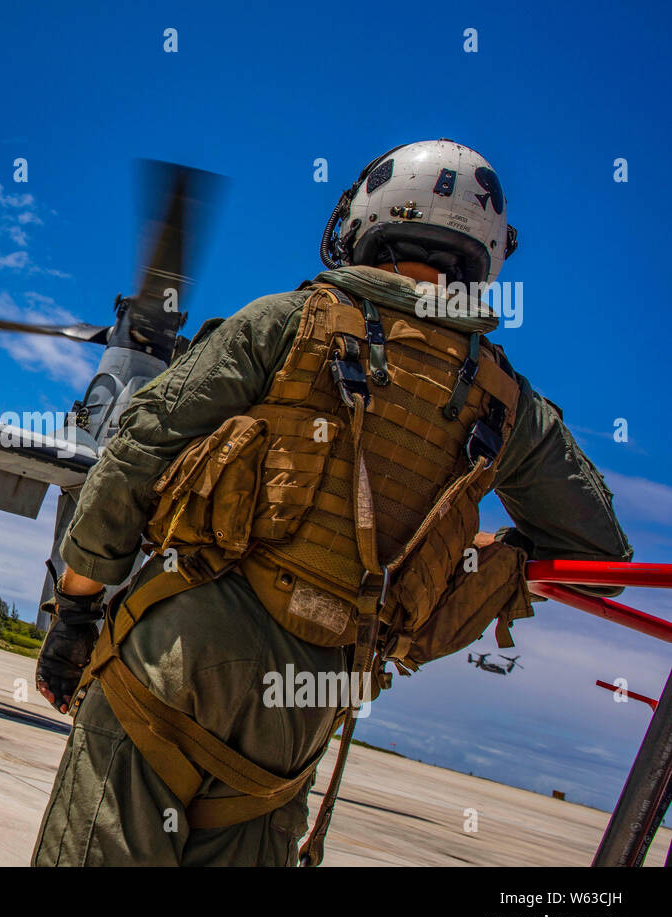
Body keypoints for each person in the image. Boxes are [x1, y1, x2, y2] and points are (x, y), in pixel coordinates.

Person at [31, 140, 631, 866]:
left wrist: (77, 614)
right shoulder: (509, 407)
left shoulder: (286, 321)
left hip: (179, 661)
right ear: (485, 254)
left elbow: (134, 454)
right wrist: (469, 555)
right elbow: (600, 549)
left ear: (369, 215)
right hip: (304, 710)